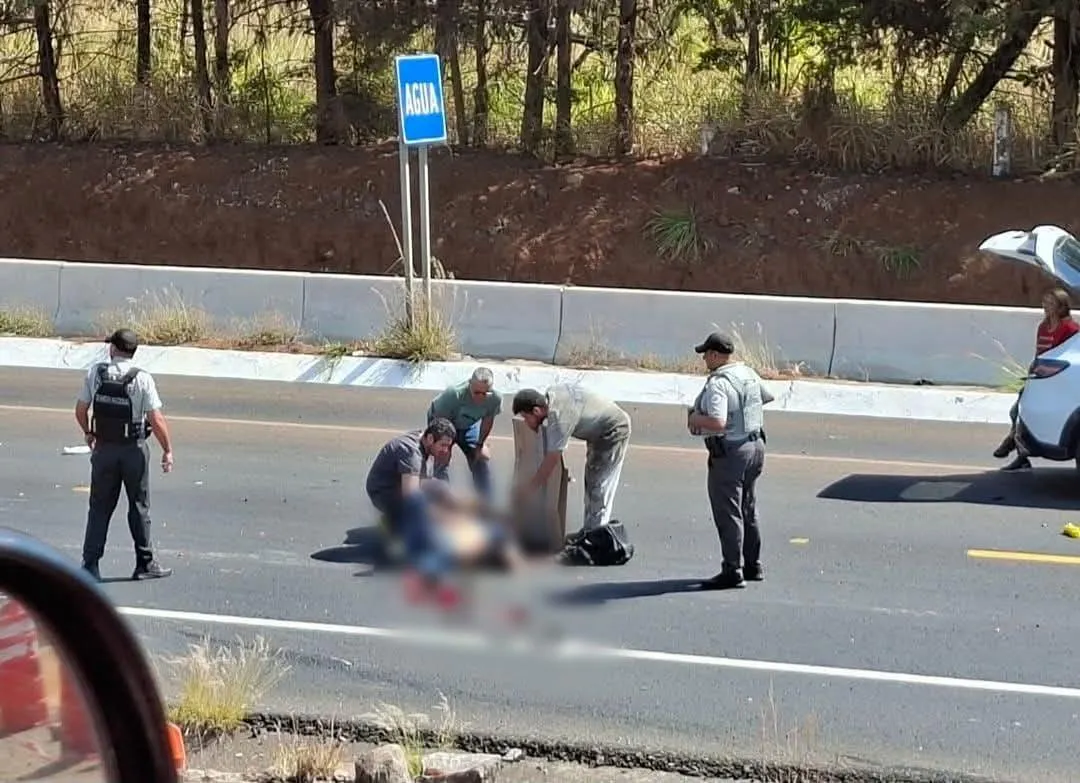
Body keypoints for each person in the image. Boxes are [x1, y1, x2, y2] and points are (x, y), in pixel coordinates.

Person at [75, 328, 174, 582]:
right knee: (139, 507)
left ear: (114, 349)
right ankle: (144, 563)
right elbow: (156, 419)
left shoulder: (95, 373)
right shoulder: (143, 379)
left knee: (99, 508)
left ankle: (90, 564)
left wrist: (88, 433)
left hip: (104, 450)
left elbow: (80, 409)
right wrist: (167, 450)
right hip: (134, 451)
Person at [687, 331, 772, 590]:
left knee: (728, 511)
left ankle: (732, 569)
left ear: (714, 355)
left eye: (705, 355)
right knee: (748, 506)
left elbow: (717, 422)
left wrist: (694, 419)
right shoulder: (747, 373)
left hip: (732, 452)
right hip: (756, 446)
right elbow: (766, 396)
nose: (704, 360)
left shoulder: (719, 384)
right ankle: (753, 564)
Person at [511, 384, 632, 549]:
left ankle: (596, 541)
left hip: (614, 431)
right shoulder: (550, 398)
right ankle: (590, 531)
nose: (526, 422)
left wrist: (530, 489)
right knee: (592, 481)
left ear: (537, 411)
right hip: (599, 433)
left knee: (599, 486)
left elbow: (552, 459)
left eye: (526, 417)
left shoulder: (560, 417)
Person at [994, 287, 1079, 472]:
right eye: (1044, 303)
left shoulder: (1071, 329)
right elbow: (1039, 352)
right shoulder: (1043, 326)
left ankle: (1013, 445)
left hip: (1058, 379)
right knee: (1016, 412)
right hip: (1042, 376)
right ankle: (1020, 454)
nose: (1046, 307)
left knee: (1018, 412)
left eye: (1050, 304)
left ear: (1061, 307)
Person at [427, 367, 502, 501]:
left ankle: (486, 504)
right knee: (442, 459)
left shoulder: (495, 399)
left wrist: (480, 444)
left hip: (468, 425)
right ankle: (441, 501)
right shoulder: (453, 395)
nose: (480, 397)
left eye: (485, 393)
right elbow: (440, 424)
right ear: (469, 385)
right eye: (477, 392)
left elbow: (487, 421)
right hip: (443, 422)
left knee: (481, 459)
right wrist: (445, 447)